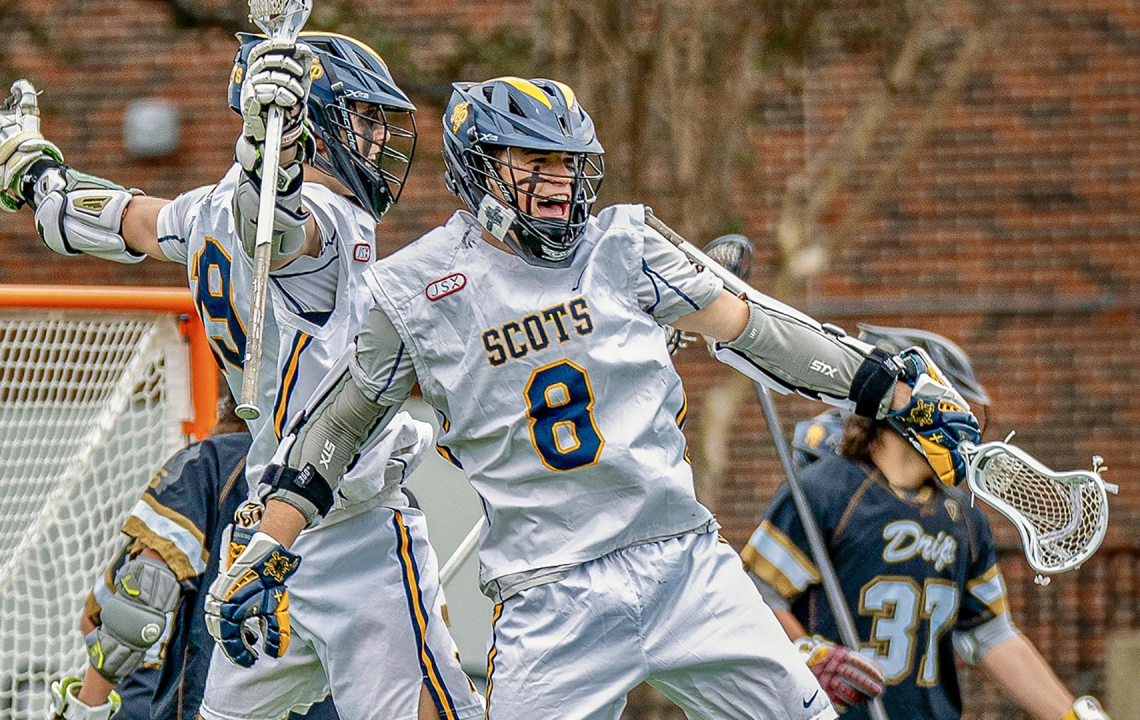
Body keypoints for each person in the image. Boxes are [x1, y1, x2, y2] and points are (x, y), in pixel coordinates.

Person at [212, 76, 983, 719]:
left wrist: (885, 386)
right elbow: (338, 426)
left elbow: (754, 328)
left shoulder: (625, 243)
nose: (557, 183)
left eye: (568, 164)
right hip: (551, 598)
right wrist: (270, 543)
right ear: (478, 163)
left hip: (683, 561)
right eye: (532, 161)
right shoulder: (415, 288)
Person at [0, 30, 481, 720]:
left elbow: (115, 222)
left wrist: (35, 177)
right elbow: (284, 228)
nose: (374, 140)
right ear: (307, 121)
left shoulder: (203, 211)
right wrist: (271, 159)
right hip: (358, 523)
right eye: (361, 120)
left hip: (264, 529)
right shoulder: (331, 217)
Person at [743, 325, 1112, 720]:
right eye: (952, 405)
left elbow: (991, 634)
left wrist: (1073, 715)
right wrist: (806, 652)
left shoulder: (963, 519)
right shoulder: (826, 491)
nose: (964, 423)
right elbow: (753, 594)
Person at [51, 383, 340, 720]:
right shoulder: (377, 482)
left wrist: (86, 709)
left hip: (209, 703)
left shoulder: (215, 462)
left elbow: (136, 605)